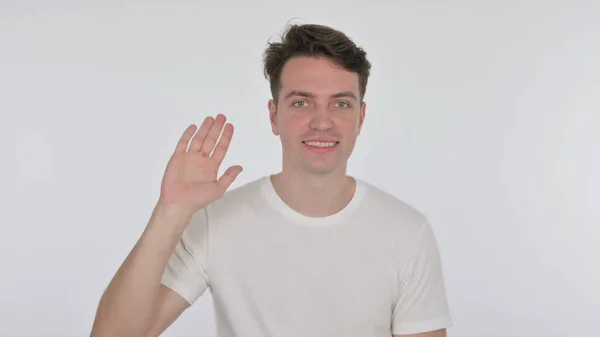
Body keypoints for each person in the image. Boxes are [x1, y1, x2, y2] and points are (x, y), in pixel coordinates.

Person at [90, 23, 452, 337]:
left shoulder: (406, 233)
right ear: (273, 115)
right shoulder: (216, 222)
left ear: (361, 117)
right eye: (301, 102)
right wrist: (170, 212)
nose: (322, 122)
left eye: (341, 104)